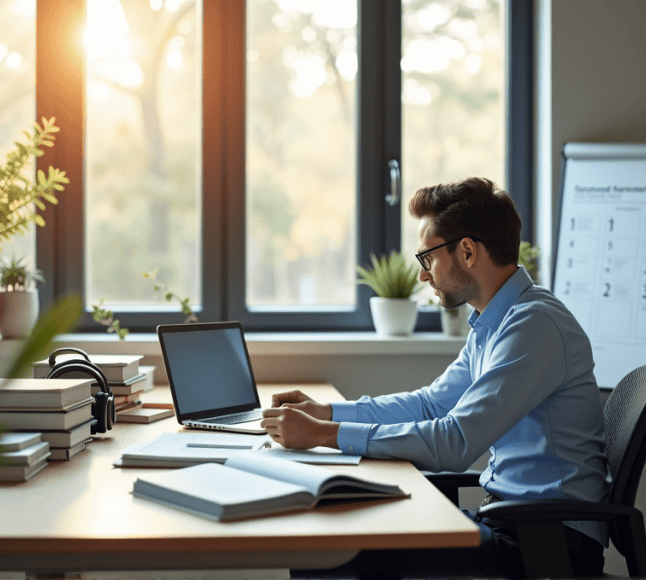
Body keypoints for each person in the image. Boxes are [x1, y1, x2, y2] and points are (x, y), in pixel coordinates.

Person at [260, 177, 611, 578]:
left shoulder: (535, 327)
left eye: (427, 258)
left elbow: (456, 441)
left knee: (331, 549)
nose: (424, 276)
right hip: (513, 524)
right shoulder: (495, 323)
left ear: (466, 251)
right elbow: (431, 404)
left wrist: (326, 435)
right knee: (335, 537)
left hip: (546, 545)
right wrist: (326, 412)